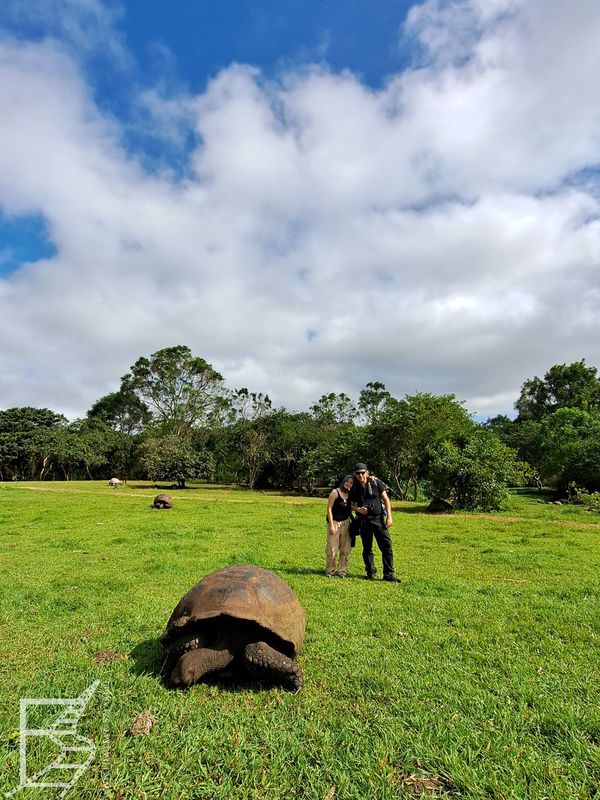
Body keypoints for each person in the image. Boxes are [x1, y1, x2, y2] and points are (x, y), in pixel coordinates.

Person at [350, 462, 400, 582]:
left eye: (363, 473)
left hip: (378, 519)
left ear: (367, 473)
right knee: (367, 548)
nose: (361, 475)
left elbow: (386, 500)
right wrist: (358, 509)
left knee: (386, 546)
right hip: (364, 521)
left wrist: (389, 516)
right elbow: (350, 504)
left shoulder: (376, 483)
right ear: (355, 474)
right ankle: (370, 572)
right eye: (358, 473)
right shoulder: (354, 486)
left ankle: (388, 575)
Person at [325, 474, 355, 578]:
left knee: (345, 549)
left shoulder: (350, 494)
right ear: (343, 481)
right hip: (334, 522)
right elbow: (329, 508)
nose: (349, 484)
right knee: (332, 548)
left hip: (346, 523)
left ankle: (342, 571)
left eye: (351, 483)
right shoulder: (335, 492)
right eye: (347, 481)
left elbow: (351, 507)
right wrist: (331, 525)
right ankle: (330, 570)